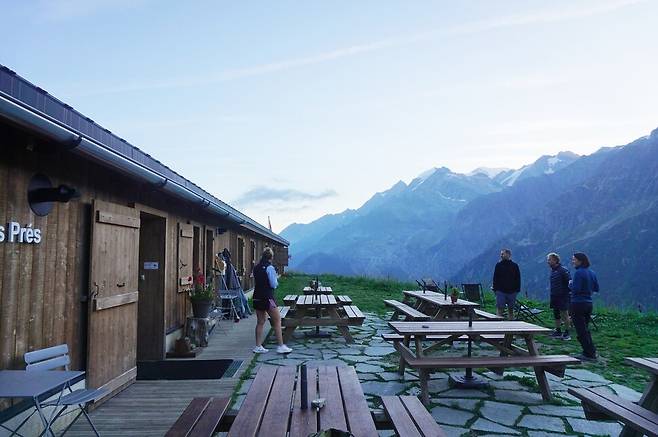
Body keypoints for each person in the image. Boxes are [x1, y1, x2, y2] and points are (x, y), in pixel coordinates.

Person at [252, 247, 292, 354]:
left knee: (260, 322)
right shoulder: (270, 268)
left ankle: (258, 346)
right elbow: (273, 284)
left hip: (256, 297)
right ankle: (280, 345)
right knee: (277, 320)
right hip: (268, 298)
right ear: (271, 257)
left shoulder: (256, 267)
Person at [570, 252, 599, 362]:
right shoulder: (592, 273)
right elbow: (596, 288)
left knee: (581, 330)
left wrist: (570, 284)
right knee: (585, 328)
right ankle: (590, 350)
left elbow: (575, 289)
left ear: (580, 261)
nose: (573, 261)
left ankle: (589, 353)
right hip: (588, 303)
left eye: (574, 259)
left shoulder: (578, 273)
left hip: (578, 303)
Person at [547, 253, 571, 340]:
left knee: (564, 314)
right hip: (554, 296)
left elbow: (569, 283)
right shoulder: (553, 270)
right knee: (556, 314)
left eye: (549, 260)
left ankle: (567, 332)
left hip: (562, 296)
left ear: (555, 260)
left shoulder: (563, 270)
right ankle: (558, 330)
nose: (548, 262)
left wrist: (567, 293)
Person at [492, 248, 521, 320]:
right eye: (501, 254)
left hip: (512, 292)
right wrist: (495, 289)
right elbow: (495, 278)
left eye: (503, 254)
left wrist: (517, 290)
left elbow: (518, 278)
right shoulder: (498, 265)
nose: (501, 255)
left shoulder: (515, 266)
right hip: (500, 291)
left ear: (508, 254)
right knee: (500, 309)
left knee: (511, 310)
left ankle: (511, 328)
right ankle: (499, 327)